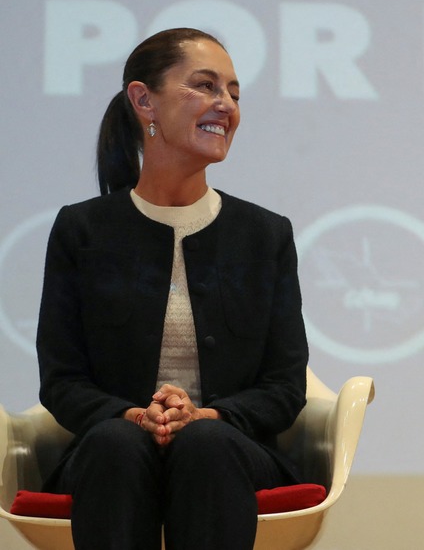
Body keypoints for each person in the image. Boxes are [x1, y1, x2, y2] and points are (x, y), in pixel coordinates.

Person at [35, 28, 309, 550]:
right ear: (144, 101)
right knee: (118, 441)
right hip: (109, 452)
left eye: (233, 92)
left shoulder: (265, 234)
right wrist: (135, 415)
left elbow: (284, 385)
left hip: (231, 453)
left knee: (206, 442)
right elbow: (63, 380)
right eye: (204, 86)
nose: (224, 105)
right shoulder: (81, 230)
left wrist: (209, 415)